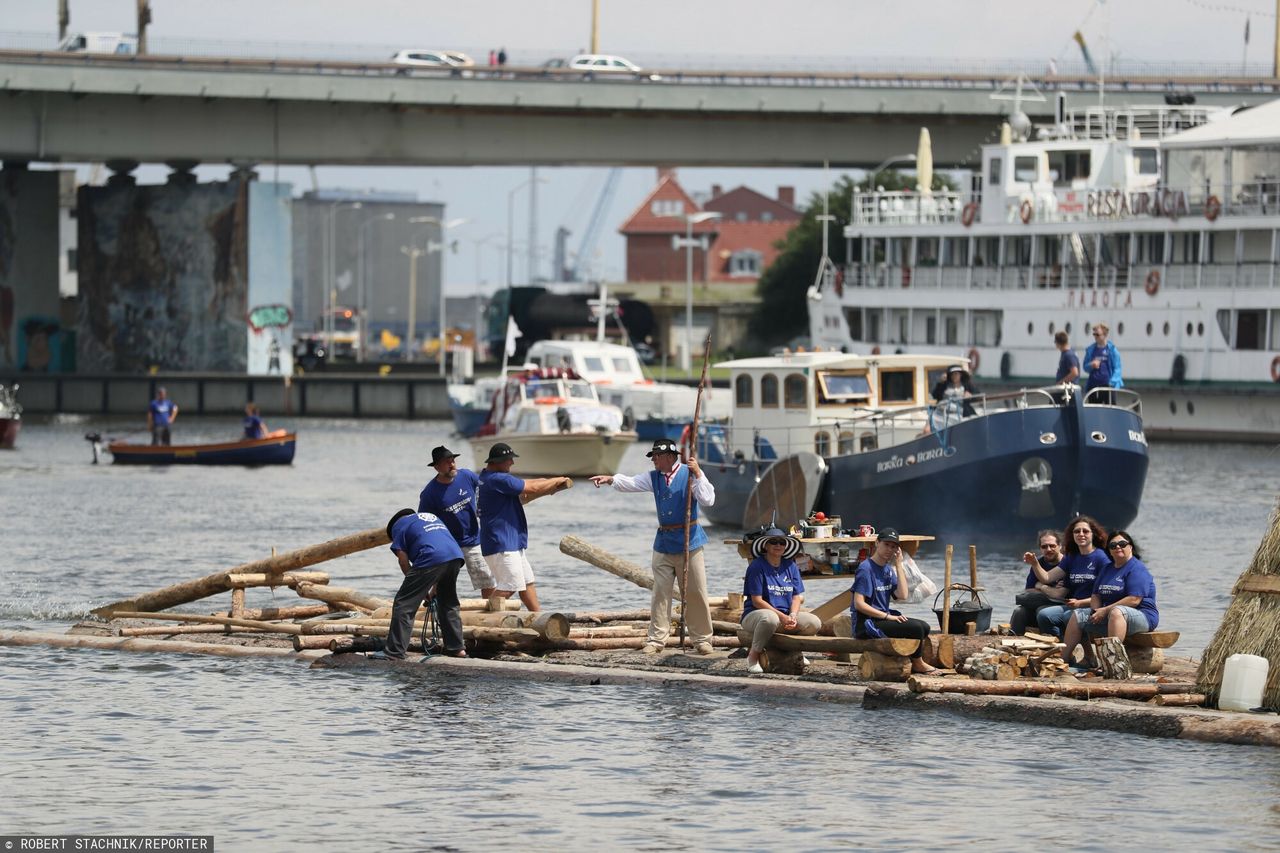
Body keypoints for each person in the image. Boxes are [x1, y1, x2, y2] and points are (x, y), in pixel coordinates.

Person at [590, 438, 717, 655]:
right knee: (661, 592)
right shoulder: (654, 477)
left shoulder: (689, 474)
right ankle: (657, 640)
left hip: (690, 541)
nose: (654, 461)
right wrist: (611, 479)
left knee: (696, 592)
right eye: (653, 457)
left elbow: (708, 499)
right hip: (664, 542)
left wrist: (699, 474)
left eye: (657, 456)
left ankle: (702, 639)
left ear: (670, 457)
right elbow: (631, 483)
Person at [477, 442, 572, 611]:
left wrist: (547, 484)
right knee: (510, 586)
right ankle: (483, 618)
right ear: (497, 461)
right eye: (509, 460)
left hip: (510, 542)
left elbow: (527, 490)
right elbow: (532, 487)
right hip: (502, 544)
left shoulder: (489, 477)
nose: (512, 463)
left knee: (527, 583)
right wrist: (557, 479)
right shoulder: (498, 479)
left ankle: (539, 618)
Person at [373, 508, 466, 661]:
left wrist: (419, 590)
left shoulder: (398, 526)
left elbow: (403, 561)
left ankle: (394, 652)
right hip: (455, 556)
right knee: (448, 602)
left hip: (431, 557)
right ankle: (457, 649)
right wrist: (431, 588)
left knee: (404, 604)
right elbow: (440, 549)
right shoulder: (430, 517)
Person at [1061, 530, 1159, 672]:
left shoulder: (1137, 568)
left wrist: (1105, 610)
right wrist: (1096, 611)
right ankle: (1063, 662)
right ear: (1110, 551)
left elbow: (1134, 599)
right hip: (1111, 614)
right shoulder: (1107, 568)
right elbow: (1096, 595)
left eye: (1122, 544)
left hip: (1142, 615)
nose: (1118, 547)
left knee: (1116, 612)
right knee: (1078, 615)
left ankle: (1112, 664)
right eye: (1113, 545)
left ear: (1130, 547)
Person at [851, 528, 937, 674]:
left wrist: (898, 564)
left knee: (925, 627)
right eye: (886, 545)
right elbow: (859, 604)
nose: (889, 549)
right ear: (877, 543)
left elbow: (902, 595)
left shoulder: (887, 569)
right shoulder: (866, 568)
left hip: (881, 618)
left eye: (893, 546)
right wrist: (888, 617)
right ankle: (918, 663)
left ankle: (908, 658)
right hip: (866, 624)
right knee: (916, 629)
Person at [418, 445, 496, 600]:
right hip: (448, 545)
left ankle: (491, 615)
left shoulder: (467, 475)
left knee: (487, 580)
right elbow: (424, 523)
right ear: (437, 467)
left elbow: (487, 489)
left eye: (453, 460)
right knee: (443, 583)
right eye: (447, 462)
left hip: (473, 540)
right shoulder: (429, 494)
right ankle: (437, 607)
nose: (452, 464)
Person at [740, 527, 822, 673]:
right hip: (756, 615)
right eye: (773, 542)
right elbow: (757, 601)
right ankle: (753, 656)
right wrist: (783, 617)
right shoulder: (757, 566)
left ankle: (795, 651)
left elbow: (796, 597)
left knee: (814, 622)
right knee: (770, 618)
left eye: (781, 542)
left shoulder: (791, 565)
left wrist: (793, 616)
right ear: (765, 545)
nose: (778, 545)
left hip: (783, 617)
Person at [1035, 515, 1110, 644]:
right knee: (1044, 615)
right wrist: (1034, 563)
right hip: (1073, 606)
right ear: (1072, 535)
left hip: (1094, 607)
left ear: (1093, 534)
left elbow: (1107, 593)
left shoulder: (1101, 558)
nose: (1081, 534)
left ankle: (1083, 653)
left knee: (1069, 616)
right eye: (1077, 531)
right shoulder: (1071, 557)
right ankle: (1059, 647)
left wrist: (1081, 603)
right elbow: (1047, 577)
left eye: (1085, 531)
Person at [1009, 529, 1066, 635]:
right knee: (1019, 612)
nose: (1048, 549)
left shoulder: (1067, 563)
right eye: (1044, 546)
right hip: (1042, 603)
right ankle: (1014, 642)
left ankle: (1053, 642)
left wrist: (1040, 586)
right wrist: (1050, 591)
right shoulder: (1038, 563)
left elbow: (1060, 595)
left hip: (1061, 606)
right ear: (1040, 548)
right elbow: (1029, 591)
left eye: (1052, 546)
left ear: (1060, 546)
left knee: (1042, 610)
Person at [1083, 323, 1123, 402]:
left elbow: (1117, 368)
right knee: (1094, 409)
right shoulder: (1091, 350)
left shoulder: (1112, 350)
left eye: (1097, 334)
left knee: (1110, 409)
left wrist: (1111, 383)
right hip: (1093, 386)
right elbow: (1085, 367)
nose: (1095, 337)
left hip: (1108, 386)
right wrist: (1091, 365)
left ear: (1105, 334)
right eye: (1094, 334)